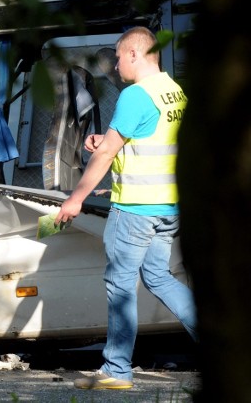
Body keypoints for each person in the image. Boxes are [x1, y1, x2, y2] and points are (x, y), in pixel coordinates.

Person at [55, 26, 198, 390]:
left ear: (134, 54)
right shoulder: (173, 91)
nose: (116, 67)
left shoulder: (135, 95)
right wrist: (110, 139)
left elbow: (105, 154)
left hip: (135, 209)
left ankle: (116, 370)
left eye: (118, 58)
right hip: (168, 207)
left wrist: (76, 199)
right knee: (159, 277)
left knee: (120, 284)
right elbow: (151, 139)